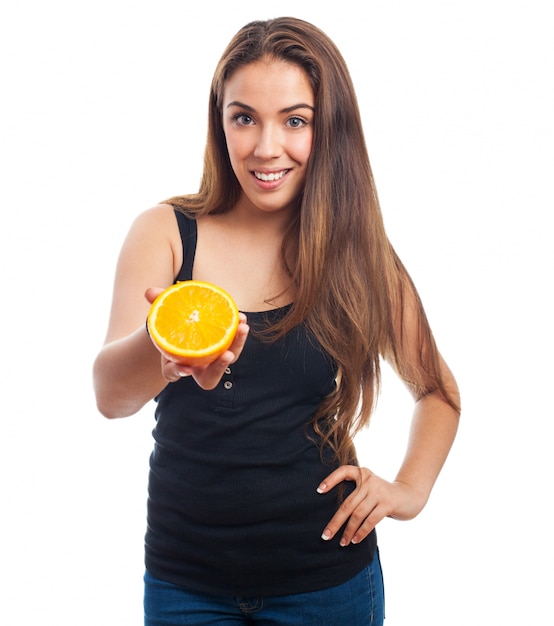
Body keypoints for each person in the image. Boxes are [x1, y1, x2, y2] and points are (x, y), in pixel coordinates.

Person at [93, 16, 460, 626]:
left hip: (327, 585)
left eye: (295, 120)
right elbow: (110, 396)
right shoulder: (164, 232)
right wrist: (167, 355)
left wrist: (409, 491)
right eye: (245, 118)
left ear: (329, 127)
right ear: (221, 124)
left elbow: (437, 392)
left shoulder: (357, 251)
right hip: (187, 584)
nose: (267, 147)